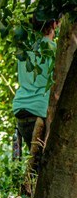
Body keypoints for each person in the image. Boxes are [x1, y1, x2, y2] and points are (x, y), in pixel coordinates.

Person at [12, 17, 58, 153]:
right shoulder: (54, 50)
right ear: (54, 24)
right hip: (40, 111)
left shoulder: (24, 50)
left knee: (36, 165)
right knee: (46, 163)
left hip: (21, 110)